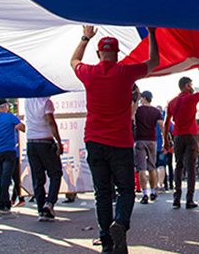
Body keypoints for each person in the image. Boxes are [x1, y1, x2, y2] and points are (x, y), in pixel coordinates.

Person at [72, 26, 159, 254]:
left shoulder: (89, 73)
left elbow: (73, 60)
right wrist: (151, 33)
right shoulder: (126, 73)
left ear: (100, 54)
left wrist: (85, 38)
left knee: (102, 193)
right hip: (120, 142)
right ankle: (120, 223)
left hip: (94, 140)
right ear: (118, 54)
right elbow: (153, 62)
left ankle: (107, 242)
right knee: (126, 190)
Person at [164, 67, 199, 209]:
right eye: (191, 85)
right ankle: (189, 199)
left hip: (178, 136)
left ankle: (176, 198)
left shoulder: (172, 102)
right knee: (190, 168)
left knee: (178, 166)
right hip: (191, 136)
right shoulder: (192, 98)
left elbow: (167, 122)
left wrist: (166, 140)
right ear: (186, 86)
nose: (192, 87)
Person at [23, 94, 63, 221]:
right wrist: (58, 141)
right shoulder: (46, 102)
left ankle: (41, 209)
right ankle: (50, 203)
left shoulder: (27, 99)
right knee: (55, 173)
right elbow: (50, 121)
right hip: (45, 141)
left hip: (31, 142)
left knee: (38, 177)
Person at [0, 100, 24, 217]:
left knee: (2, 178)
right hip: (9, 151)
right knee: (6, 178)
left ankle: (5, 203)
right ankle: (2, 205)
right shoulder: (11, 117)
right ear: (6, 106)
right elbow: (23, 128)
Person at [133, 91, 163, 204]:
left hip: (140, 140)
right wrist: (166, 139)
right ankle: (153, 191)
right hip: (152, 140)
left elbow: (131, 119)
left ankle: (144, 193)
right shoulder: (156, 111)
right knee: (152, 167)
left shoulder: (138, 110)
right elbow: (161, 125)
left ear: (143, 98)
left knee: (141, 168)